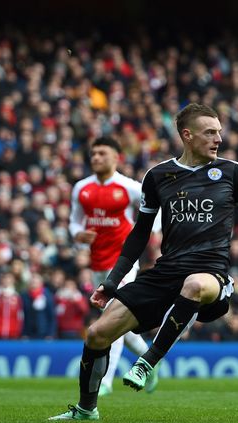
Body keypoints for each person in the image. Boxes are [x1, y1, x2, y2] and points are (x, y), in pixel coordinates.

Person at [49, 103, 238, 420]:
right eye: (210, 132)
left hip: (212, 275)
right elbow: (138, 235)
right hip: (165, 273)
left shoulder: (233, 172)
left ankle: (147, 362)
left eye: (219, 132)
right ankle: (86, 410)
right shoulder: (158, 177)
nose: (218, 139)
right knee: (97, 334)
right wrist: (112, 282)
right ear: (187, 135)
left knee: (195, 284)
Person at [68, 136, 158, 396]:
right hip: (98, 262)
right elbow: (74, 222)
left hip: (125, 262)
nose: (96, 157)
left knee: (112, 315)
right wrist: (77, 234)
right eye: (93, 153)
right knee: (120, 323)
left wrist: (159, 233)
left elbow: (156, 211)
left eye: (102, 153)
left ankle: (105, 380)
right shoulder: (81, 189)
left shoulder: (129, 188)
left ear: (116, 157)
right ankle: (149, 361)